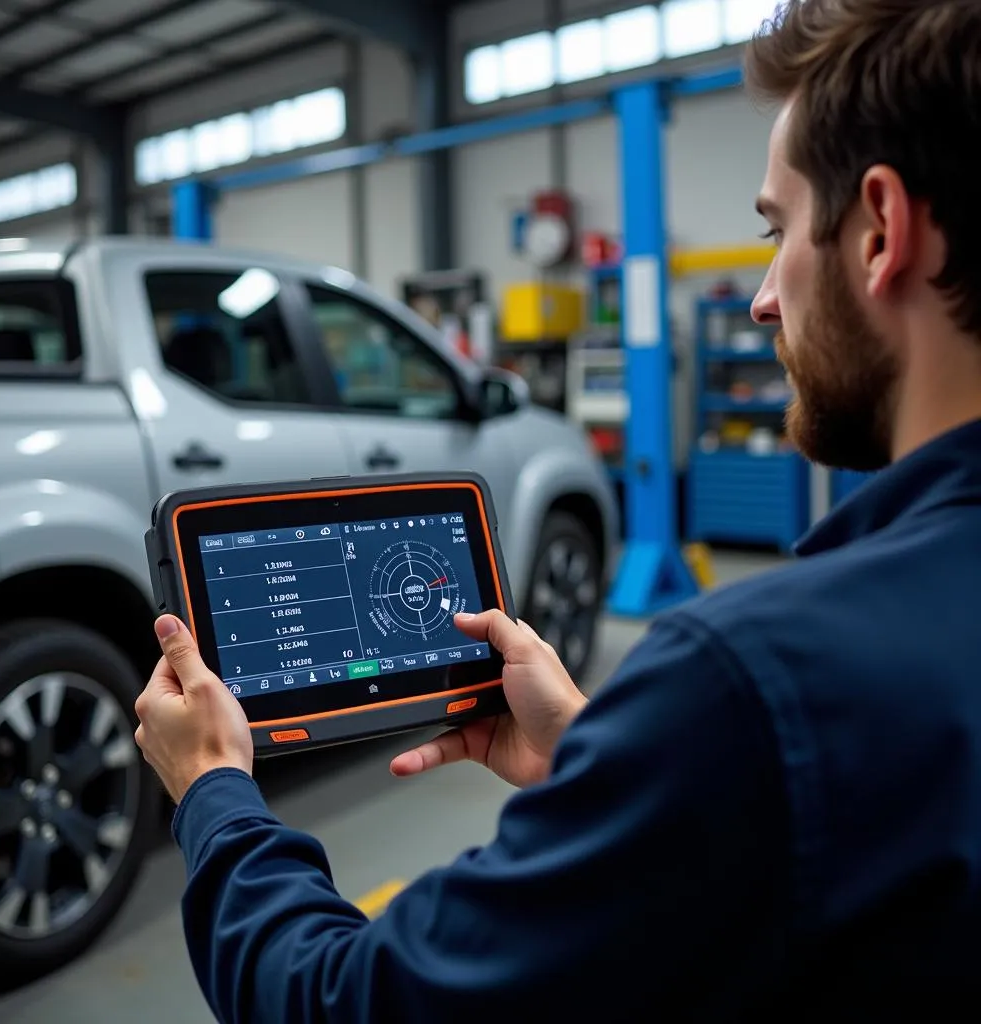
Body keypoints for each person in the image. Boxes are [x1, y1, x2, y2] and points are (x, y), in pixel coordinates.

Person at [134, 1, 981, 1019]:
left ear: (880, 229)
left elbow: (342, 1002)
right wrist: (610, 764)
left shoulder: (753, 679)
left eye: (777, 228)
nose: (762, 296)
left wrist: (214, 789)